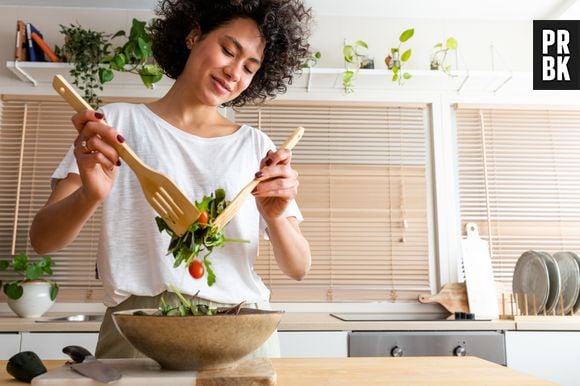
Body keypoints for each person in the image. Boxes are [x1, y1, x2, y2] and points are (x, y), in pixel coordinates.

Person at [29, 0, 313, 358]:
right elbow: (42, 240)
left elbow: (299, 266)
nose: (233, 72)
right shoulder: (115, 126)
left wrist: (275, 217)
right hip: (138, 328)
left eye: (249, 68)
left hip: (240, 328)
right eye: (228, 50)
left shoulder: (256, 146)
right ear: (194, 35)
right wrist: (89, 195)